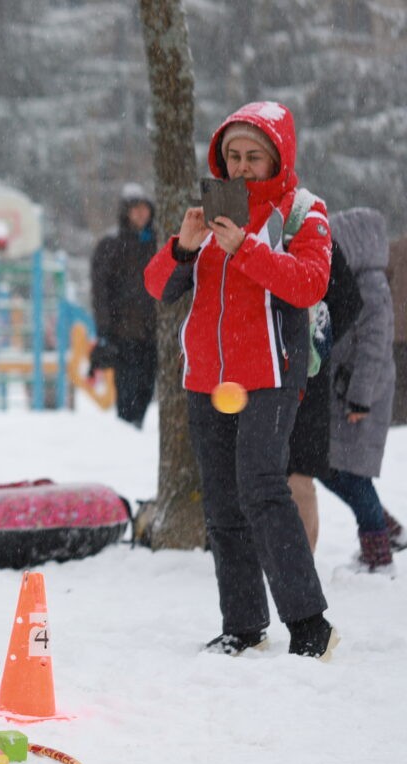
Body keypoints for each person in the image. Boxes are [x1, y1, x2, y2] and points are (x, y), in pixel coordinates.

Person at [144, 101, 338, 660]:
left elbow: (308, 284)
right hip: (206, 378)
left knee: (262, 490)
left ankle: (310, 624)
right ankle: (244, 624)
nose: (243, 167)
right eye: (234, 155)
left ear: (279, 156)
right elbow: (158, 287)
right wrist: (184, 245)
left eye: (255, 156)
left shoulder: (304, 212)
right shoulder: (209, 213)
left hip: (271, 375)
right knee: (223, 506)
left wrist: (246, 248)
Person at [321, 207, 401, 570]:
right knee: (335, 467)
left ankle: (378, 553)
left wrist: (360, 399)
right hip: (345, 393)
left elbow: (373, 349)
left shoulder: (370, 286)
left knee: (349, 473)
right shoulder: (353, 280)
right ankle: (387, 528)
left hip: (359, 397)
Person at [286, 240, 363, 551]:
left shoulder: (314, 234)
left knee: (298, 475)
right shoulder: (252, 229)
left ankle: (300, 561)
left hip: (307, 378)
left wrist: (317, 338)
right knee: (269, 473)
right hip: (263, 374)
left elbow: (348, 301)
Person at [89, 183, 159, 428]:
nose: (141, 214)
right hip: (123, 333)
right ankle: (126, 432)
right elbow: (100, 292)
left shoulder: (158, 243)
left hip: (153, 332)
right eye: (135, 209)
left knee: (147, 386)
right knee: (127, 388)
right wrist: (105, 330)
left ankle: (136, 424)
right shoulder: (111, 245)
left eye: (144, 209)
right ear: (126, 213)